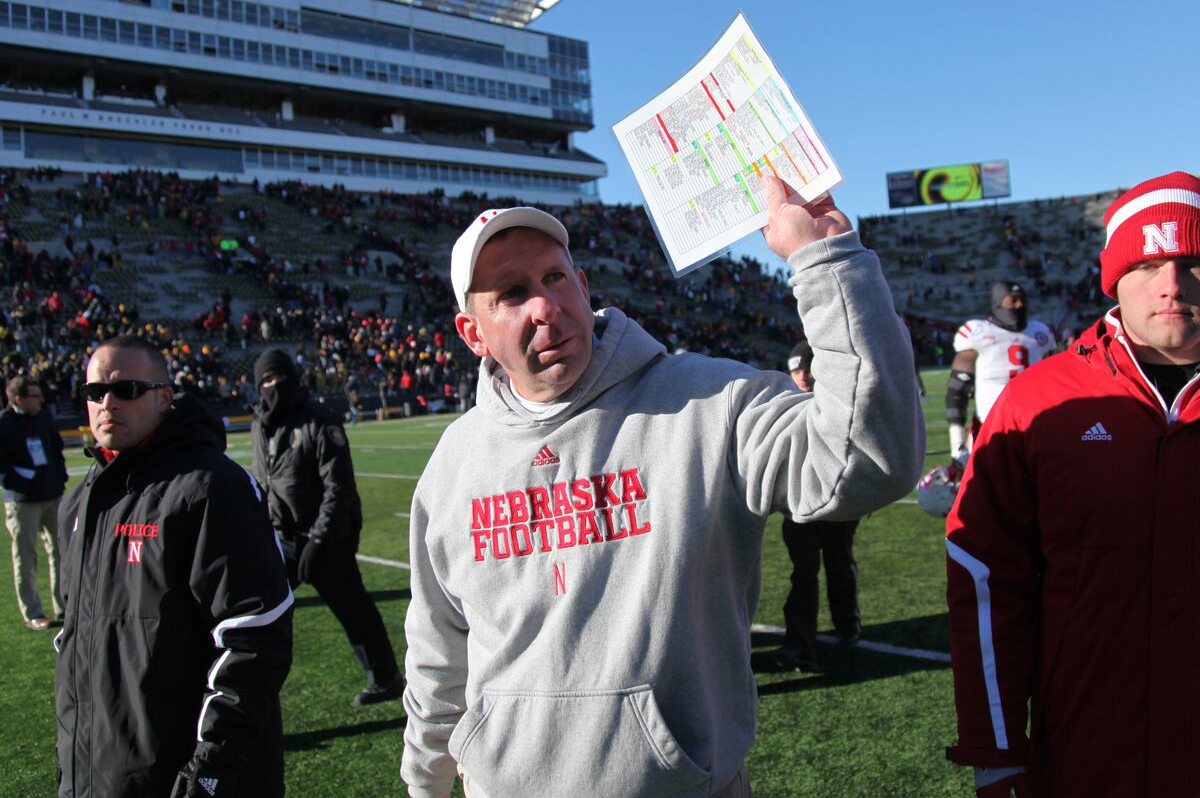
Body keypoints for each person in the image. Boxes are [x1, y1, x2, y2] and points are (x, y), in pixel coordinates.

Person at [401, 177, 925, 798]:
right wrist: (425, 785)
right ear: (473, 334)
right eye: (512, 294)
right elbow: (438, 655)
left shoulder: (711, 402)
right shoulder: (453, 463)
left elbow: (869, 459)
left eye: (554, 278)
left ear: (583, 286)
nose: (544, 307)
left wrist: (827, 261)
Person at [946, 171, 1200, 797]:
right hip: (1086, 752)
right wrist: (996, 747)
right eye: (1147, 265)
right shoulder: (1037, 403)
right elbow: (985, 578)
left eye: (1191, 262)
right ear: (1113, 278)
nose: (1170, 285)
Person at [56, 335, 293, 798]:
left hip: (187, 778)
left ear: (164, 398)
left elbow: (253, 637)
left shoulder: (211, 487)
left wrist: (210, 767)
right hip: (101, 773)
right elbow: (74, 643)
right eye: (94, 392)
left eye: (126, 390)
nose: (107, 403)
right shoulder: (79, 504)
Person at [250, 349, 402, 706]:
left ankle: (386, 678)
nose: (274, 386)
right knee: (257, 615)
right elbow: (264, 478)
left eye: (278, 377)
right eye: (266, 381)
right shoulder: (260, 423)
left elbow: (339, 487)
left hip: (327, 538)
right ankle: (250, 693)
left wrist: (319, 538)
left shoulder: (319, 420)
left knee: (354, 609)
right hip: (282, 537)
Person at [774, 341, 861, 672]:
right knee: (804, 573)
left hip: (838, 501)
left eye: (807, 368)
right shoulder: (783, 401)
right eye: (796, 369)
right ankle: (800, 645)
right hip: (799, 504)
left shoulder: (840, 400)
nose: (803, 376)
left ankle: (847, 624)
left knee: (840, 564)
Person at [945, 282, 1055, 459]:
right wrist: (957, 444)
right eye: (1013, 300)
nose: (1020, 305)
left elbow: (1054, 382)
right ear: (998, 303)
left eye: (1022, 300)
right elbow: (957, 391)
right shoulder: (978, 332)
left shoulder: (1040, 333)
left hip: (1036, 426)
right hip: (991, 429)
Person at [0, 375, 67, 631]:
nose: (41, 400)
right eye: (35, 396)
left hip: (51, 496)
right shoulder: (4, 423)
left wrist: (58, 479)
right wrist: (23, 483)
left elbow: (55, 448)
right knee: (25, 557)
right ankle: (33, 613)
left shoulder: (43, 417)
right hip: (22, 501)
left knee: (60, 553)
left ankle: (64, 605)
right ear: (19, 399)